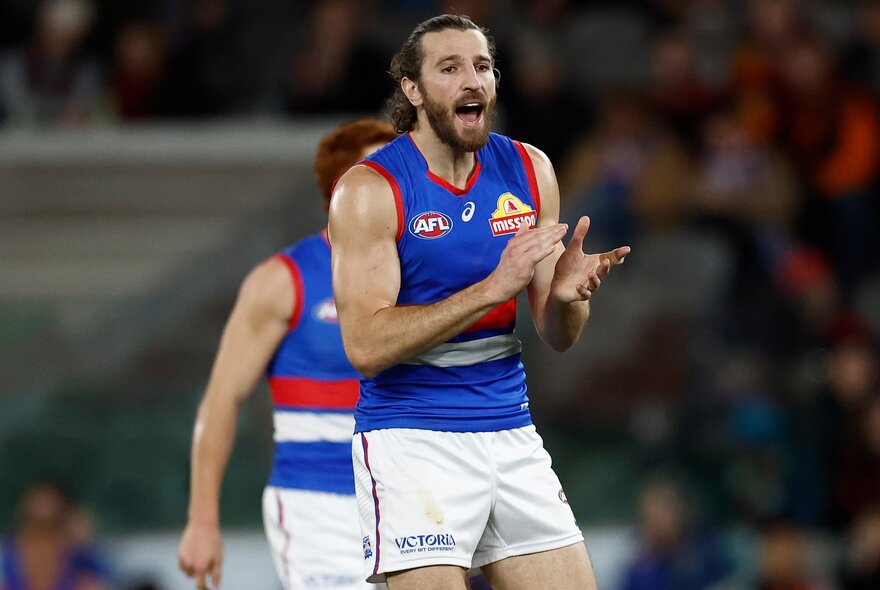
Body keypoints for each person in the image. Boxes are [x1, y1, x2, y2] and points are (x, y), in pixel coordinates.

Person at [329, 14, 631, 590]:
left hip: (510, 431)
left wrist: (568, 297)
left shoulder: (529, 169)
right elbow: (365, 346)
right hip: (412, 441)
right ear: (413, 91)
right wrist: (492, 288)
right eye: (449, 68)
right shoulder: (370, 191)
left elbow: (558, 335)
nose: (472, 80)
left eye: (482, 66)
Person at [177, 118, 398, 590]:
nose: (394, 188)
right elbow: (221, 398)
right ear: (341, 190)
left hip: (411, 498)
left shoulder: (426, 271)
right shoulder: (282, 281)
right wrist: (202, 520)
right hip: (319, 507)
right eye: (378, 175)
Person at [1, 479, 115, 590]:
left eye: (49, 499)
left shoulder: (77, 550)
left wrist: (86, 543)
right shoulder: (10, 547)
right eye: (39, 499)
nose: (43, 505)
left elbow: (108, 578)